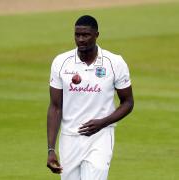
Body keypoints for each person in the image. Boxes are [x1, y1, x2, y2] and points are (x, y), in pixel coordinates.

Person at [47, 15, 134, 180]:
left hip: (100, 137)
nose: (81, 39)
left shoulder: (114, 63)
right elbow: (55, 107)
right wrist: (51, 149)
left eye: (85, 35)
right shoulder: (61, 62)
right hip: (69, 138)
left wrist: (103, 122)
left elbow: (128, 102)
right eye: (77, 35)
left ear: (96, 35)